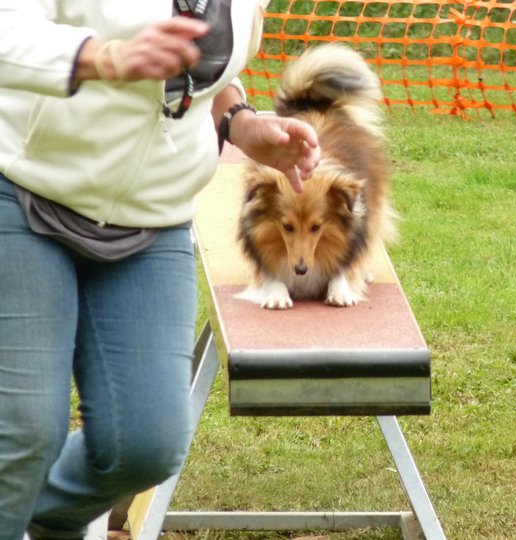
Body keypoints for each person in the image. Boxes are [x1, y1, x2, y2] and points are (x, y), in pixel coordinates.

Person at [0, 1, 320, 539]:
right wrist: (102, 56)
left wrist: (243, 125)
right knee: (24, 434)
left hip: (154, 216)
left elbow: (207, 70)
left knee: (144, 445)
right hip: (23, 187)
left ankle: (40, 509)